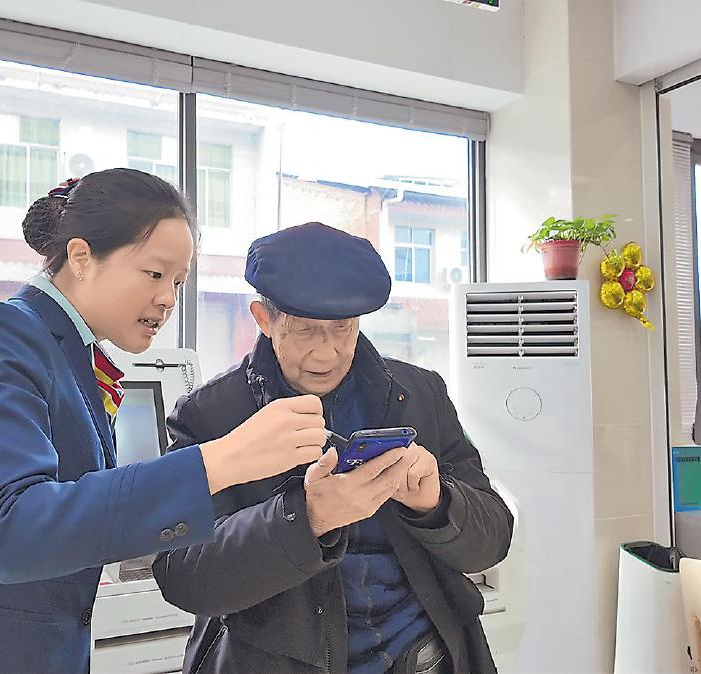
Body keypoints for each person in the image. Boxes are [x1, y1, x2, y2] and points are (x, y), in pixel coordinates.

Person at [0, 170, 327, 674]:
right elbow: (11, 531)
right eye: (154, 273)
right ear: (80, 257)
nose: (168, 298)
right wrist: (220, 461)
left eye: (178, 282)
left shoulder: (73, 357)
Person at [152, 222, 515, 674]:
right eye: (305, 331)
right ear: (263, 319)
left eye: (342, 329)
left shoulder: (420, 394)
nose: (326, 354)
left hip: (425, 656)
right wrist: (307, 518)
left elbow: (493, 540)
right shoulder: (210, 415)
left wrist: (437, 503)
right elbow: (182, 574)